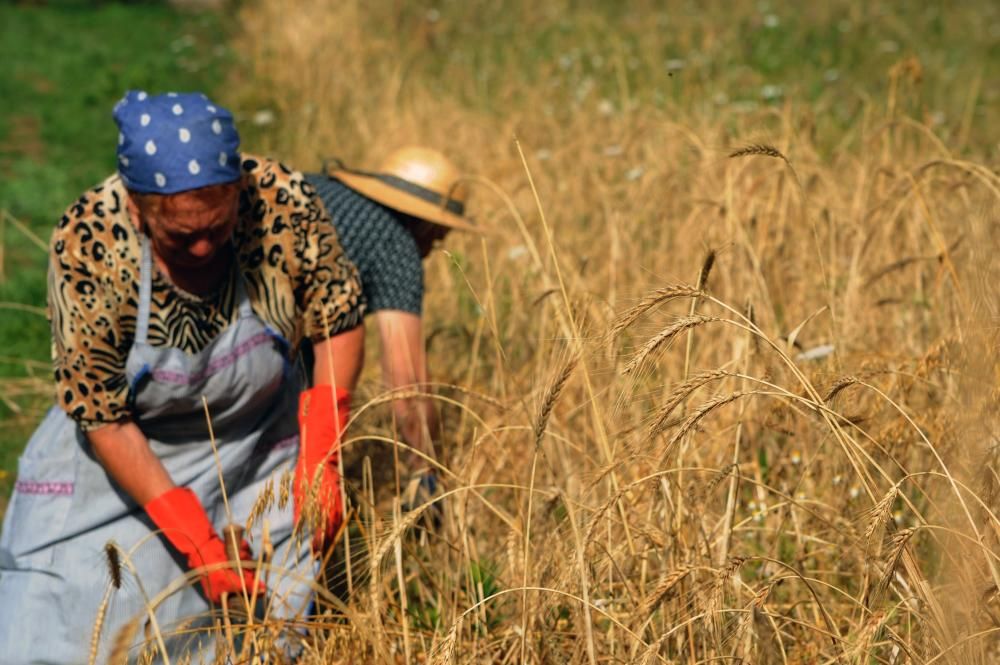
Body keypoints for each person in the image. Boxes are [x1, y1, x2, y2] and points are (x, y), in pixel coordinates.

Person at [0, 91, 364, 663]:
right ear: (138, 208)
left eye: (215, 230)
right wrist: (195, 542)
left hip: (257, 448)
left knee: (260, 637)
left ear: (237, 195)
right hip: (128, 456)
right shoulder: (90, 240)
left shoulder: (282, 203)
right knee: (66, 623)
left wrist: (322, 455)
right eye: (179, 236)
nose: (200, 247)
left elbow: (336, 319)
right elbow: (102, 414)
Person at [303, 147, 477, 504]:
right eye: (438, 236)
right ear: (426, 222)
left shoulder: (318, 187)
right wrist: (426, 472)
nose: (432, 250)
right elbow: (407, 385)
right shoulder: (396, 243)